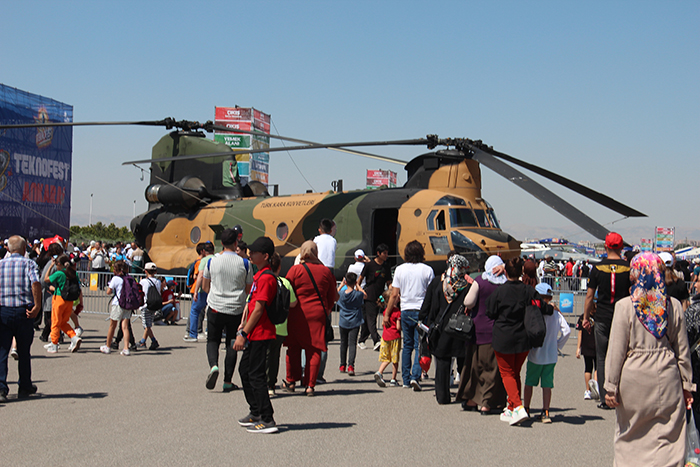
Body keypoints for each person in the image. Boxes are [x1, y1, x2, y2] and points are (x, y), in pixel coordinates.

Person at [604, 252, 694, 466]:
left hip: (633, 376)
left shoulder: (625, 306)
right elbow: (682, 348)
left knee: (630, 434)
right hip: (667, 374)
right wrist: (687, 384)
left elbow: (616, 349)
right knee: (669, 436)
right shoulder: (672, 306)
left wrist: (610, 385)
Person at [486, 257, 544, 426]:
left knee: (507, 373)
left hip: (503, 336)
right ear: (521, 272)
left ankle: (518, 406)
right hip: (523, 337)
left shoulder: (499, 291)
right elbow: (539, 304)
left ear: (505, 272)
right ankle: (511, 406)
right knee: (515, 372)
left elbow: (490, 311)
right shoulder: (527, 290)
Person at [234, 236, 279, 433]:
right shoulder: (259, 276)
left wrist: (243, 332)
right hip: (254, 333)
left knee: (257, 376)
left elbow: (259, 309)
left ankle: (267, 419)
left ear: (266, 256)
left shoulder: (267, 278)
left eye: (255, 252)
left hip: (261, 333)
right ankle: (256, 411)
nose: (250, 254)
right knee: (245, 371)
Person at [581, 232, 631, 410]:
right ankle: (621, 394)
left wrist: (586, 317)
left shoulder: (597, 268)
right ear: (621, 247)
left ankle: (605, 398)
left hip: (602, 317)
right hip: (623, 317)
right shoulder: (628, 267)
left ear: (606, 247)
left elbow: (589, 296)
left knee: (601, 358)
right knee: (624, 356)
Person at [201, 228, 253, 392]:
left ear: (221, 243)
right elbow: (248, 287)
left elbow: (205, 285)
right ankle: (228, 381)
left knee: (213, 340)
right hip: (235, 309)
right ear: (236, 243)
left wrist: (215, 294)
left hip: (216, 306)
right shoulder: (245, 263)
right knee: (232, 343)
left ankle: (213, 366)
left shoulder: (212, 261)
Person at [283, 240, 338, 396]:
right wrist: (326, 310)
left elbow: (287, 290)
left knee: (293, 348)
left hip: (296, 313)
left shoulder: (295, 270)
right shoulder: (326, 272)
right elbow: (332, 296)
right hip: (317, 314)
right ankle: (310, 385)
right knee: (314, 350)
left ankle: (291, 381)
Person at [457, 255, 508, 415]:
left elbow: (468, 302)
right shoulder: (505, 284)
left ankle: (472, 400)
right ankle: (487, 403)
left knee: (475, 367)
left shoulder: (480, 281)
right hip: (497, 331)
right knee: (492, 369)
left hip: (477, 330)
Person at [419, 254, 471, 404]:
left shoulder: (437, 283)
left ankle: (443, 396)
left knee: (442, 363)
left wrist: (424, 322)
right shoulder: (467, 285)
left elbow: (427, 306)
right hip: (462, 328)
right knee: (464, 363)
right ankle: (466, 396)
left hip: (441, 329)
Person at [385, 240, 434, 391]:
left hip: (405, 310)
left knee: (407, 345)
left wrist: (387, 313)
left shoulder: (400, 270)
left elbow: (394, 295)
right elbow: (430, 293)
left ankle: (405, 378)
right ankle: (416, 376)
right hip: (421, 310)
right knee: (420, 345)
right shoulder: (427, 270)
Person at [0, 236, 42, 401]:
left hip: (3, 310)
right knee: (24, 351)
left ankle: (1, 388)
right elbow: (35, 283)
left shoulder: (1, 265)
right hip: (23, 311)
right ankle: (24, 386)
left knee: (2, 350)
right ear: (25, 249)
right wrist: (37, 305)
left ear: (8, 249)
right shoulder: (29, 263)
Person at [522, 283, 570, 423]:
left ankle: (526, 408)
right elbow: (567, 331)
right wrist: (557, 345)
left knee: (529, 382)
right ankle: (546, 411)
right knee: (547, 384)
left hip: (536, 353)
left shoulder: (534, 311)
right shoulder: (556, 313)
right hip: (551, 355)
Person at [265, 252, 297, 396]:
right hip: (281, 326)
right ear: (279, 267)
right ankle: (271, 385)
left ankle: (263, 384)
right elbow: (293, 303)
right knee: (274, 357)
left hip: (265, 325)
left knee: (263, 356)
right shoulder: (285, 283)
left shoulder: (263, 280)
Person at [44, 254, 83, 353]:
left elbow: (46, 279)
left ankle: (54, 343)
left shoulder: (60, 273)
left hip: (59, 298)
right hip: (69, 300)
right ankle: (74, 337)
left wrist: (50, 266)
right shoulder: (74, 273)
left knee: (55, 322)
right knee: (63, 322)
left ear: (59, 264)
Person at [357, 244, 392, 351]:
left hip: (380, 296)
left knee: (370, 318)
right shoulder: (370, 265)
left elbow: (389, 282)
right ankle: (377, 340)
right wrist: (361, 291)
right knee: (371, 319)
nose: (386, 255)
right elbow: (359, 281)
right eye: (384, 253)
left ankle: (361, 340)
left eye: (387, 253)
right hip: (369, 295)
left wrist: (391, 292)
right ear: (378, 254)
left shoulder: (386, 267)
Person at [102, 261, 134, 355]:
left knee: (112, 325)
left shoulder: (116, 279)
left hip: (118, 304)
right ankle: (126, 348)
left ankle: (108, 346)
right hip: (128, 304)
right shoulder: (129, 278)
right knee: (125, 327)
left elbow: (108, 291)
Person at [185, 242, 215, 342]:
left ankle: (193, 334)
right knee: (213, 312)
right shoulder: (217, 259)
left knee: (195, 311)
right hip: (214, 289)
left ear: (204, 251)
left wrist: (196, 290)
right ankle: (213, 333)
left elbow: (200, 275)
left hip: (203, 289)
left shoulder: (204, 260)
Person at [337, 272, 366, 376]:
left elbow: (335, 295)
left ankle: (342, 364)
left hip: (343, 320)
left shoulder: (341, 294)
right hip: (355, 321)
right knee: (352, 343)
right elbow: (365, 295)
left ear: (345, 282)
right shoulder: (358, 295)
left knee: (343, 343)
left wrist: (341, 286)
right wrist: (358, 286)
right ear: (355, 282)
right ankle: (351, 365)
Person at [374, 289, 401, 387]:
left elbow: (382, 323)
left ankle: (380, 372)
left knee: (386, 358)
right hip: (395, 337)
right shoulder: (397, 312)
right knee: (395, 359)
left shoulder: (386, 311)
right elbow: (398, 327)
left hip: (385, 337)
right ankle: (393, 379)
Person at [685, 279, 700, 432]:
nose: (695, 284)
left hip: (696, 366)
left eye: (699, 281)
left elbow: (685, 342)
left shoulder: (694, 310)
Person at [575, 302, 598, 400]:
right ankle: (596, 389)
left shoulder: (583, 317)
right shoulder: (599, 317)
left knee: (588, 368)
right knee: (597, 368)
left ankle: (588, 390)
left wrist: (578, 348)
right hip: (597, 345)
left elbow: (580, 333)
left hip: (586, 345)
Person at [138, 263, 161, 350]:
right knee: (148, 324)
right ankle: (150, 341)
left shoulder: (144, 282)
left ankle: (144, 342)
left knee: (146, 325)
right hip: (154, 304)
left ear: (146, 271)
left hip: (146, 304)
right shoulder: (158, 281)